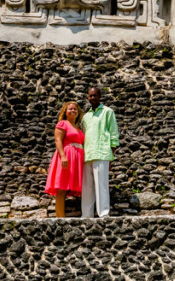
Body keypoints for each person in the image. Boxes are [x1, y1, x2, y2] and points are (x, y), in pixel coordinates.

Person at [80, 87, 119, 218]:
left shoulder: (108, 112)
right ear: (87, 97)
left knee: (101, 186)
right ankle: (86, 215)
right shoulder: (85, 117)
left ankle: (103, 214)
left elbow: (113, 135)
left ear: (100, 96)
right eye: (90, 96)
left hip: (102, 153)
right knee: (87, 188)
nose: (92, 98)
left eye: (95, 95)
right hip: (87, 155)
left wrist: (111, 156)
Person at [44, 101, 85, 218]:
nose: (73, 111)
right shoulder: (63, 124)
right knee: (62, 188)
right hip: (67, 156)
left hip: (77, 158)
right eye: (70, 109)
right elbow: (58, 140)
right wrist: (62, 156)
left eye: (75, 109)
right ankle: (60, 217)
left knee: (68, 188)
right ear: (65, 112)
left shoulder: (78, 127)